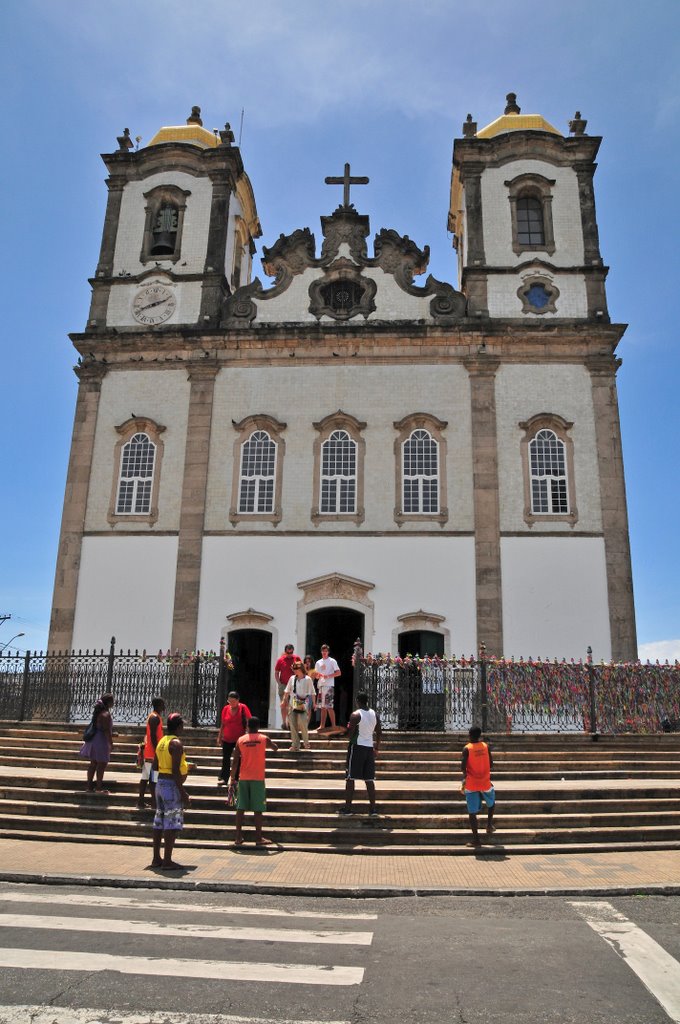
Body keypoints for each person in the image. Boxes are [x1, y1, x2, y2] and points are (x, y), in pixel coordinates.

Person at [151, 712, 192, 870]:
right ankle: (167, 861)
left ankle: (156, 858)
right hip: (171, 785)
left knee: (159, 821)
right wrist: (183, 793)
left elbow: (155, 766)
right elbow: (175, 771)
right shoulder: (176, 744)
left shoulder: (162, 741)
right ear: (180, 727)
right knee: (171, 823)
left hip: (160, 783)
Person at [230, 716, 279, 847]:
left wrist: (232, 778)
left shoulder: (240, 740)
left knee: (240, 808)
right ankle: (258, 838)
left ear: (247, 726)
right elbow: (275, 748)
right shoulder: (263, 739)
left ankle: (238, 837)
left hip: (243, 777)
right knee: (258, 809)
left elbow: (235, 761)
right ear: (258, 727)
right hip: (257, 778)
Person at [339, 691, 381, 816]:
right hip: (369, 748)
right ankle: (373, 809)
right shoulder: (375, 714)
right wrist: (377, 747)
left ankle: (347, 808)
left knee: (350, 778)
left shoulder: (355, 715)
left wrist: (342, 733)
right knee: (369, 779)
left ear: (357, 701)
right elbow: (379, 732)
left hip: (356, 747)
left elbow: (350, 734)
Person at [461, 725, 496, 847]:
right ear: (479, 735)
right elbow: (491, 764)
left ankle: (476, 840)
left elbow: (463, 767)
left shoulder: (467, 749)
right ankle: (489, 824)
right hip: (485, 781)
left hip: (472, 783)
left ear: (469, 735)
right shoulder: (486, 747)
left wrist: (465, 778)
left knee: (472, 813)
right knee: (492, 802)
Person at [79, 693, 114, 794]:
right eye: (112, 701)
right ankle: (98, 788)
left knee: (93, 764)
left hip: (94, 740)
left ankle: (89, 787)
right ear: (108, 703)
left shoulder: (99, 713)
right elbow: (106, 731)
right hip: (101, 741)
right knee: (101, 764)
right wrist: (111, 743)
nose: (114, 703)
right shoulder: (106, 714)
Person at [216, 691, 251, 786]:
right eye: (229, 701)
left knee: (238, 759)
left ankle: (235, 778)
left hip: (239, 739)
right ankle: (224, 778)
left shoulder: (243, 708)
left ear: (238, 700)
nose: (231, 703)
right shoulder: (225, 709)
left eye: (233, 701)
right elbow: (223, 724)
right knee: (226, 758)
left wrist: (248, 734)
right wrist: (220, 736)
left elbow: (248, 721)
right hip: (227, 738)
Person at [138, 697, 165, 808]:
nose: (164, 706)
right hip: (152, 754)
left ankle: (140, 802)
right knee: (154, 779)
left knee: (145, 778)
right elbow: (153, 736)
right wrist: (157, 751)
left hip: (149, 753)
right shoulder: (155, 718)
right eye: (163, 704)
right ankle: (154, 803)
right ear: (158, 705)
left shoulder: (154, 716)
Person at [283, 661, 315, 752]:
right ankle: (295, 744)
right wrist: (284, 700)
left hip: (303, 704)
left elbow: (312, 692)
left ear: (301, 669)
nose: (295, 671)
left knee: (302, 723)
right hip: (293, 703)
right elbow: (287, 691)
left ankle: (306, 742)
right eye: (294, 669)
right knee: (292, 724)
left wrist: (314, 703)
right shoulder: (292, 678)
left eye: (296, 669)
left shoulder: (308, 679)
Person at [314, 643, 341, 731]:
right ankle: (322, 726)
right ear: (321, 652)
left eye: (326, 651)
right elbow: (316, 675)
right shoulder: (318, 662)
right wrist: (318, 676)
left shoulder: (332, 661)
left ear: (328, 652)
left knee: (329, 706)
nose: (324, 653)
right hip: (321, 685)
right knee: (322, 707)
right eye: (323, 651)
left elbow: (338, 672)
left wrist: (328, 676)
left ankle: (333, 725)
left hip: (329, 686)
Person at [274, 643, 299, 729]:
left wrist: (295, 670)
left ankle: (291, 723)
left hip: (294, 684)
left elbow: (301, 671)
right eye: (288, 653)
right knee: (283, 704)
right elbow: (276, 673)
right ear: (285, 652)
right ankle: (284, 723)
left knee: (294, 704)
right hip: (283, 685)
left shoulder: (297, 658)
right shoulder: (280, 660)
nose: (290, 655)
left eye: (291, 653)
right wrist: (279, 683)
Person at [303, 654, 318, 725]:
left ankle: (306, 724)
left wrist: (305, 671)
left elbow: (310, 680)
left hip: (309, 692)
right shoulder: (302, 670)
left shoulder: (314, 671)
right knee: (299, 707)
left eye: (309, 661)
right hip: (301, 691)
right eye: (306, 662)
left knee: (308, 709)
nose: (307, 663)